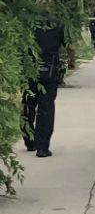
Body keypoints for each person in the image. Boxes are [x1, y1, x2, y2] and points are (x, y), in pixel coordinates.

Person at [22, 19, 66, 158]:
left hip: (29, 68)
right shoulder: (58, 22)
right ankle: (42, 147)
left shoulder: (27, 21)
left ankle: (30, 141)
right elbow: (69, 46)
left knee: (28, 105)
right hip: (50, 67)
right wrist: (71, 61)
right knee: (46, 108)